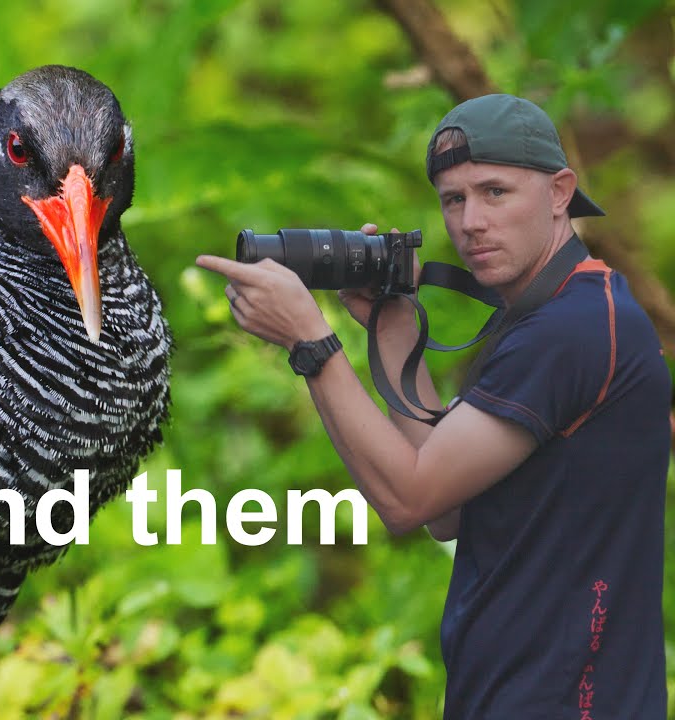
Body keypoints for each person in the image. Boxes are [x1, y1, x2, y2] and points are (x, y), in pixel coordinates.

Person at [196, 94, 669, 718]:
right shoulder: (552, 318)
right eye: (454, 199)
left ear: (560, 192)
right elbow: (446, 509)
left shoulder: (573, 329)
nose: (471, 221)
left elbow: (407, 500)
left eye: (495, 192)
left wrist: (312, 341)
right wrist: (390, 329)